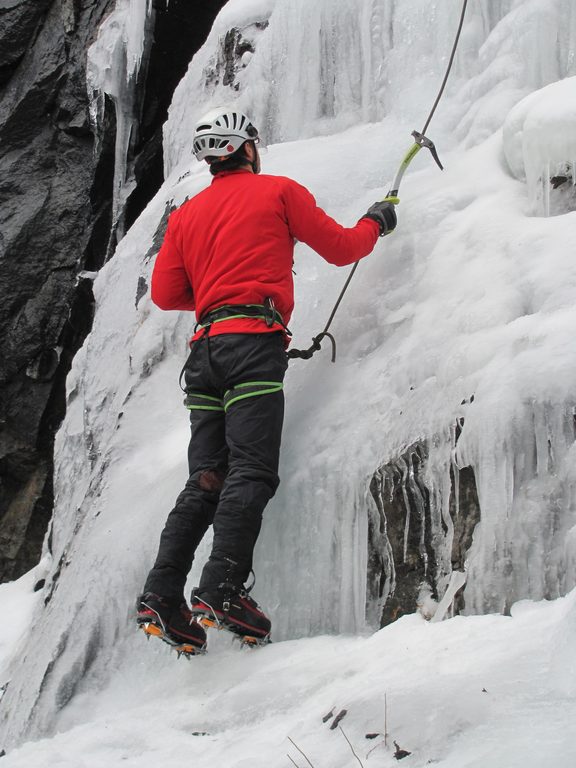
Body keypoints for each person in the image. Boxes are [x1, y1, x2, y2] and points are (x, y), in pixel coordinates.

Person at [136, 107, 397, 654]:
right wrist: (377, 220)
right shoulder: (278, 191)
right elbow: (343, 247)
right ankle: (221, 588)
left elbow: (164, 296)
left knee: (206, 476)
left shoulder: (186, 215)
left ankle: (162, 594)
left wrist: (213, 296)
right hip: (252, 345)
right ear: (248, 148)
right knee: (251, 468)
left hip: (204, 352)